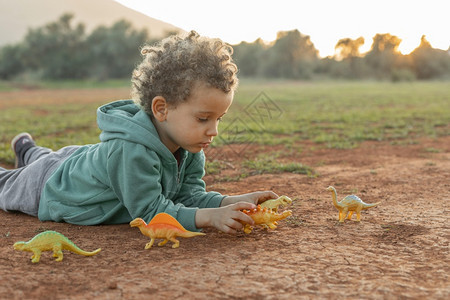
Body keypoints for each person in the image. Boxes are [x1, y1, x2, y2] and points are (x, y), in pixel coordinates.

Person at [0, 31, 277, 233]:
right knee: (8, 184)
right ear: (161, 109)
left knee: (48, 158)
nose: (213, 131)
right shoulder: (132, 151)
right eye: (204, 118)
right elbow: (150, 212)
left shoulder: (190, 145)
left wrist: (233, 201)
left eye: (219, 119)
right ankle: (29, 155)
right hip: (51, 186)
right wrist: (209, 217)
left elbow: (189, 197)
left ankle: (27, 150)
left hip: (81, 161)